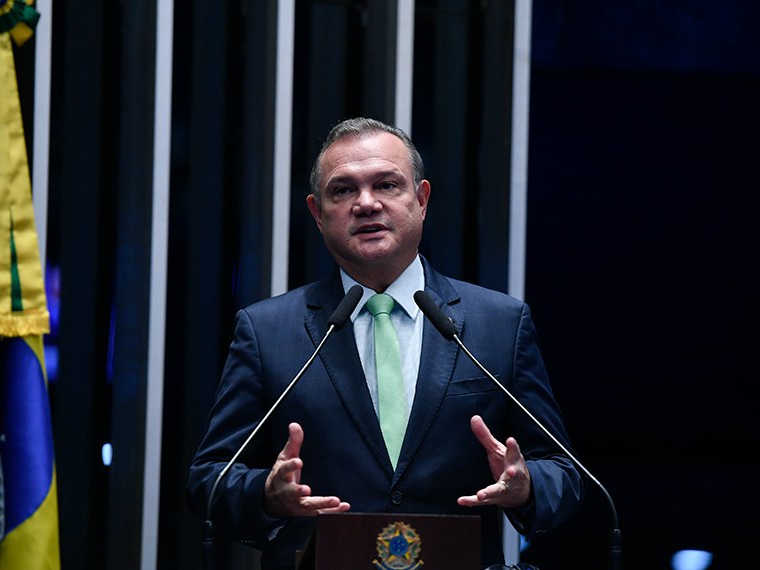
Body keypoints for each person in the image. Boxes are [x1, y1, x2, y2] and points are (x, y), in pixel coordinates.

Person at [187, 117, 583, 569]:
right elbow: (209, 480)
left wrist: (527, 486)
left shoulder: (499, 324)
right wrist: (266, 495)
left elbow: (564, 473)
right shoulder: (267, 331)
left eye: (387, 185)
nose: (366, 203)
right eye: (343, 191)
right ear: (317, 214)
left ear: (422, 199)